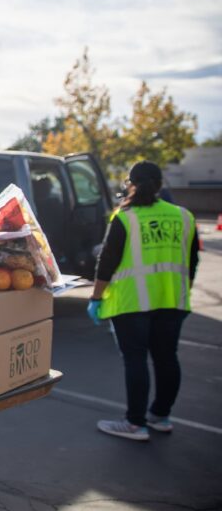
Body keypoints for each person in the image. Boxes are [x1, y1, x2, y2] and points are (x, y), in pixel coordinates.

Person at [87, 160, 200, 441]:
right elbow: (193, 261)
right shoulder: (184, 216)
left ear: (130, 185)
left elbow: (107, 263)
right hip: (173, 300)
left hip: (132, 302)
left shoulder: (125, 217)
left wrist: (96, 298)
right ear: (160, 185)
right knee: (167, 358)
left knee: (135, 360)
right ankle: (161, 416)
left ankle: (135, 423)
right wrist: (183, 291)